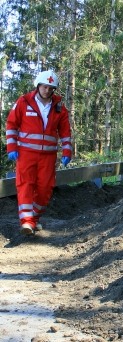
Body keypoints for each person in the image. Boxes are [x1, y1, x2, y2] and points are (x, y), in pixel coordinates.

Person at [5, 70, 73, 235]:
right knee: (25, 185)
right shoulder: (24, 102)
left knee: (45, 189)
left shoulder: (59, 108)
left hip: (48, 157)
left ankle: (33, 219)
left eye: (51, 88)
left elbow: (65, 132)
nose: (47, 91)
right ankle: (26, 222)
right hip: (26, 154)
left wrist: (67, 150)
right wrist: (12, 148)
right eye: (45, 87)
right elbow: (11, 125)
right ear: (38, 85)